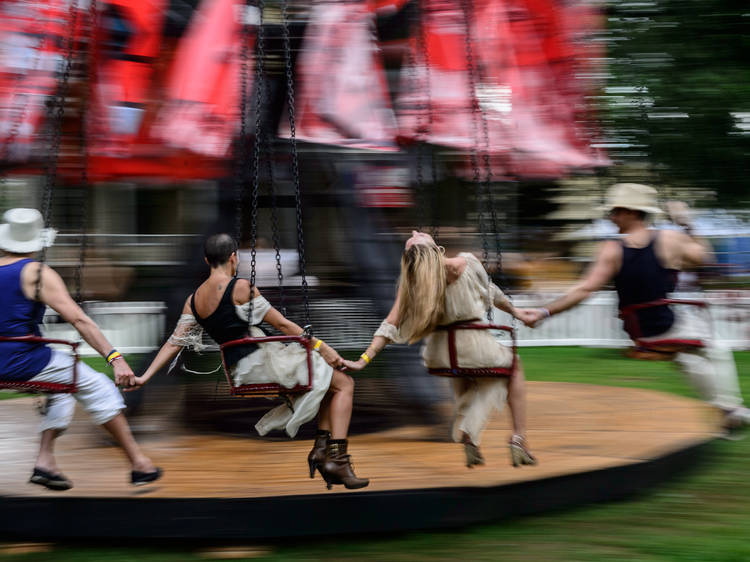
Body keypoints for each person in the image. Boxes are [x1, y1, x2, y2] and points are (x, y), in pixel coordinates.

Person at [130, 233, 369, 490]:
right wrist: (323, 347)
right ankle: (339, 459)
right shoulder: (240, 287)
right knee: (344, 384)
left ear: (206, 260)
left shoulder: (194, 299)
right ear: (234, 257)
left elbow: (173, 343)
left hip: (241, 370)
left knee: (326, 383)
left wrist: (145, 376)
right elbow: (282, 324)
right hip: (262, 362)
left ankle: (322, 450)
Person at [524, 183, 750, 435]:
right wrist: (686, 222)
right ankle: (731, 409)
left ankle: (724, 413)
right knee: (717, 349)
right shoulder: (669, 239)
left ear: (632, 211)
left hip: (639, 329)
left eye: (616, 211)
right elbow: (704, 258)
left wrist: (545, 312)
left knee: (690, 359)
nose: (611, 217)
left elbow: (585, 289)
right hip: (666, 323)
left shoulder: (611, 250)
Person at [343, 230, 539, 468]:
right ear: (436, 249)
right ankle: (518, 437)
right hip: (473, 344)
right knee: (513, 367)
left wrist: (365, 358)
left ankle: (470, 434)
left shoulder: (413, 282)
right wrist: (517, 313)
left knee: (475, 378)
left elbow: (391, 323)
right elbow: (493, 292)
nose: (414, 231)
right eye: (415, 237)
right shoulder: (466, 262)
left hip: (441, 354)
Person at [0, 208, 162, 490]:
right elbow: (79, 319)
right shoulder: (37, 273)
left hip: (10, 356)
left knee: (62, 386)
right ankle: (138, 463)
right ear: (36, 241)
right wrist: (115, 358)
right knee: (97, 385)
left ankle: (45, 461)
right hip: (23, 360)